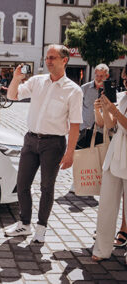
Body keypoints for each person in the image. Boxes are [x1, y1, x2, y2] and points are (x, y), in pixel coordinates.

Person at [5, 44, 83, 243]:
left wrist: (70, 153)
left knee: (47, 187)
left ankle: (41, 227)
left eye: (53, 58)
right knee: (22, 184)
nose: (48, 61)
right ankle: (24, 224)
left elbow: (75, 125)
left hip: (54, 144)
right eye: (47, 57)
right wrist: (16, 78)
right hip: (31, 140)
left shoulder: (73, 90)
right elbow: (12, 96)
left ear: (64, 60)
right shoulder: (37, 81)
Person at [92, 65, 127, 263]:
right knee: (106, 204)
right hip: (115, 153)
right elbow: (110, 125)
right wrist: (104, 110)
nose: (125, 84)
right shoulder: (123, 97)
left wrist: (113, 110)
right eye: (124, 80)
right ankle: (102, 248)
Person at [79, 64, 110, 144]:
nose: (99, 79)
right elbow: (77, 107)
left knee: (97, 155)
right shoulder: (84, 88)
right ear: (94, 74)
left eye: (101, 76)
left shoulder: (110, 92)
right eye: (97, 76)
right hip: (83, 130)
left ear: (107, 76)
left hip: (101, 132)